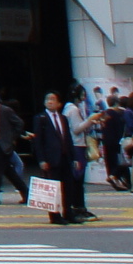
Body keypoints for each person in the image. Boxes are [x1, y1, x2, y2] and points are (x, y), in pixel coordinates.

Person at [34, 89, 93, 223]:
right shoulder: (40, 118)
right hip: (51, 158)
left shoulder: (63, 118)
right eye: (47, 99)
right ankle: (54, 215)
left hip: (65, 157)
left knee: (68, 187)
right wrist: (41, 159)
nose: (50, 102)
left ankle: (68, 213)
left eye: (53, 99)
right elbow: (38, 141)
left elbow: (68, 139)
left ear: (59, 103)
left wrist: (74, 158)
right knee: (53, 188)